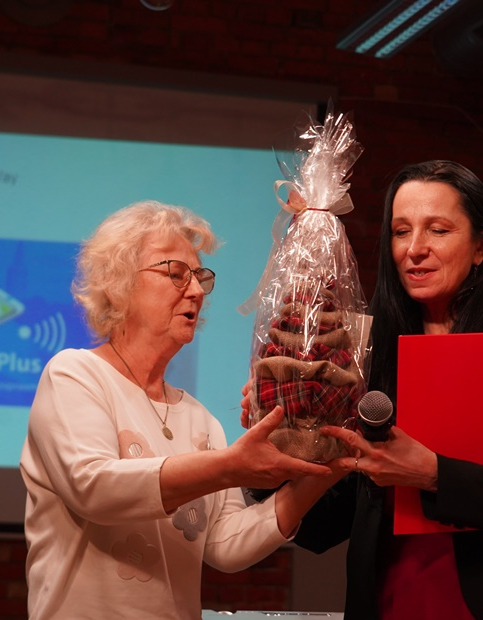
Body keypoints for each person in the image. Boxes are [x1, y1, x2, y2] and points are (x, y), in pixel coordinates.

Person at [283, 160, 483, 619]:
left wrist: (434, 474)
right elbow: (321, 525)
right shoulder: (365, 351)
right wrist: (282, 436)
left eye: (438, 230)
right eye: (401, 231)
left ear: (482, 246)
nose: (415, 249)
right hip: (394, 599)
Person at [19, 200, 342, 619]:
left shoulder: (199, 418)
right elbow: (92, 487)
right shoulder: (74, 374)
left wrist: (323, 471)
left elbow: (226, 545)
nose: (195, 291)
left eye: (199, 277)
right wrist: (229, 467)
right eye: (175, 273)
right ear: (119, 282)